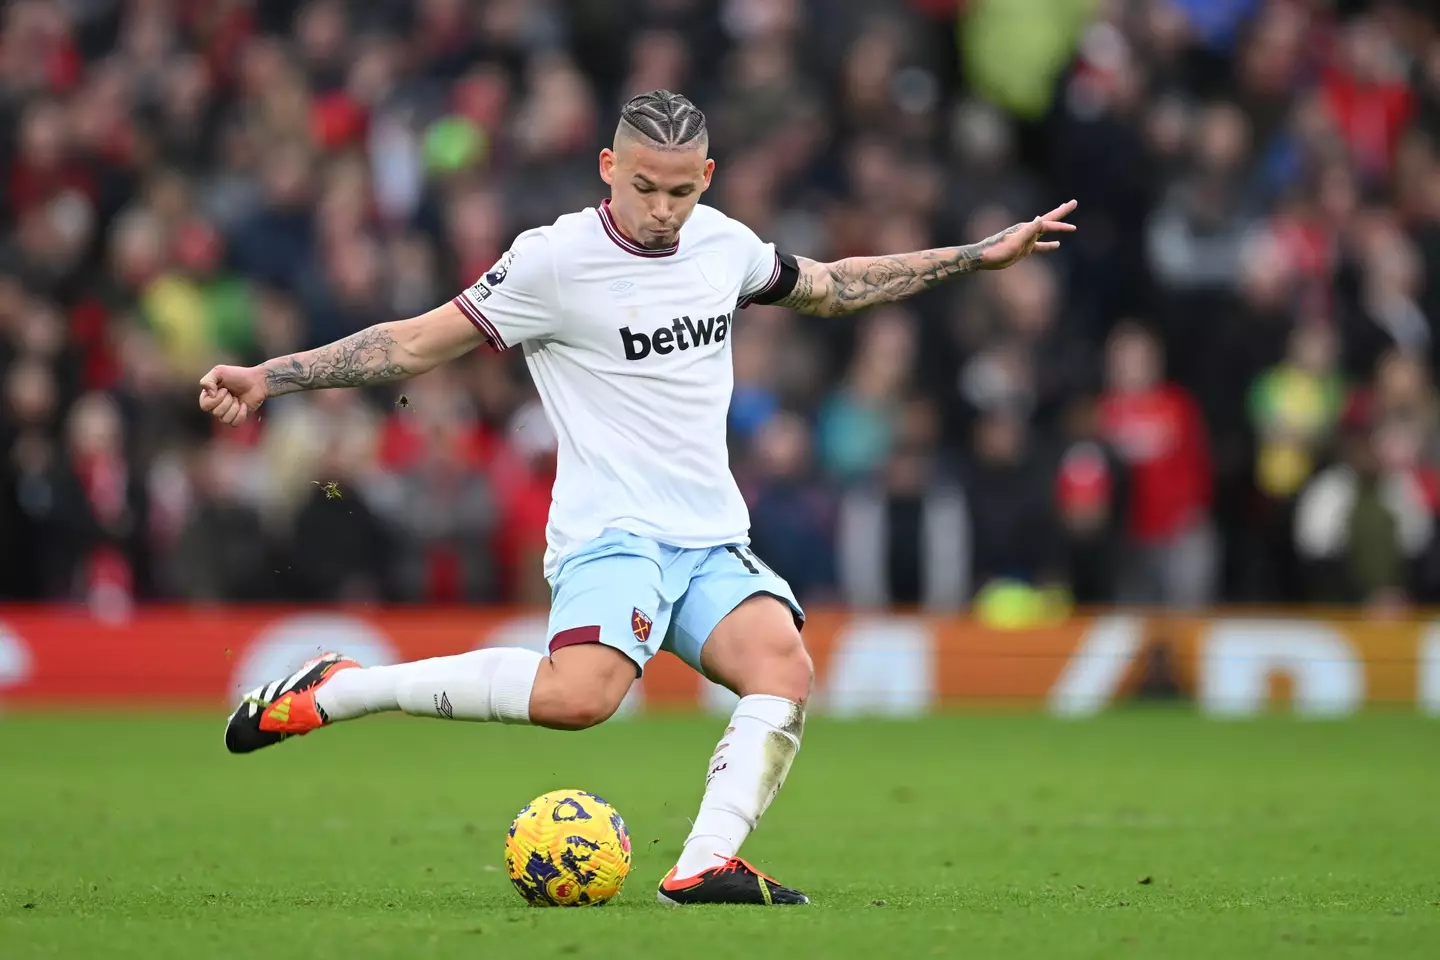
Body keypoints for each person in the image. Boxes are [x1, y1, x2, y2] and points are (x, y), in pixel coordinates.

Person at [199, 90, 1076, 906]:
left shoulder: (724, 244)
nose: (662, 210)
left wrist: (975, 256)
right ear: (608, 169)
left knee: (783, 665)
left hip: (707, 536)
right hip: (610, 532)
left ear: (708, 180)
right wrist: (272, 379)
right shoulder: (552, 261)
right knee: (580, 699)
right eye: (646, 188)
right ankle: (346, 688)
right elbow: (414, 344)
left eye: (681, 192)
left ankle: (703, 863)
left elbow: (832, 286)